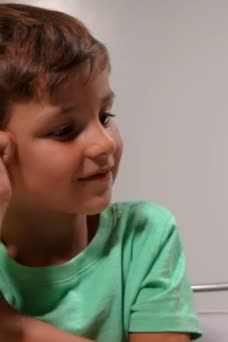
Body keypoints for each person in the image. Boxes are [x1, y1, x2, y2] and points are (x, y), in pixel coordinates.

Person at [0, 3, 202, 341]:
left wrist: (15, 328)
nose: (104, 143)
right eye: (65, 130)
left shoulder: (143, 236)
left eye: (105, 116)